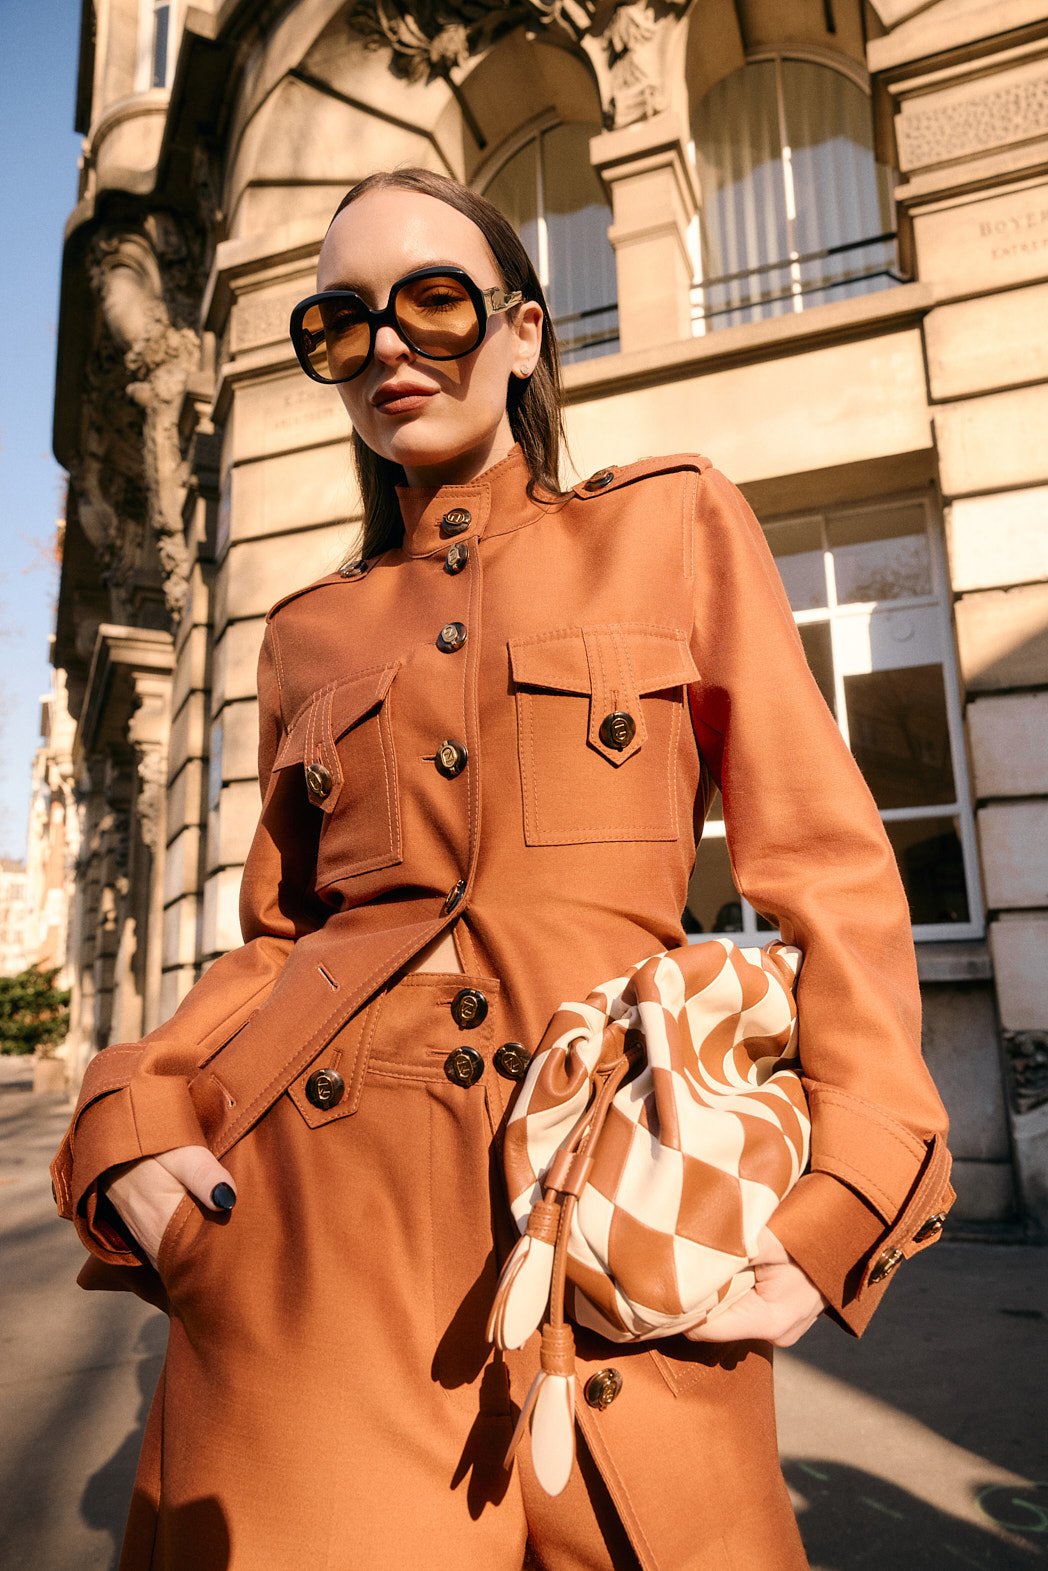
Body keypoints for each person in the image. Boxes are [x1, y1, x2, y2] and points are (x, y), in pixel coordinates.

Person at [51, 167, 955, 1571]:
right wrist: (130, 1112)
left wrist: (850, 1191)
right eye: (341, 324)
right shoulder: (306, 634)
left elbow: (828, 868)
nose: (388, 348)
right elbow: (279, 940)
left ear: (524, 329)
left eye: (433, 301)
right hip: (317, 1249)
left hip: (625, 1215)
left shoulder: (670, 526)